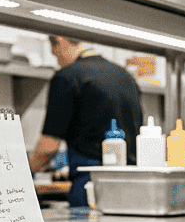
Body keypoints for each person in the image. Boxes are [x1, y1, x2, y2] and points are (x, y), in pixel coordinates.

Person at [29, 36, 143, 207]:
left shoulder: (67, 77)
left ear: (60, 41)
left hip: (90, 187)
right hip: (132, 186)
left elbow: (49, 146)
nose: (58, 61)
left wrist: (24, 174)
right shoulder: (125, 75)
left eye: (55, 53)